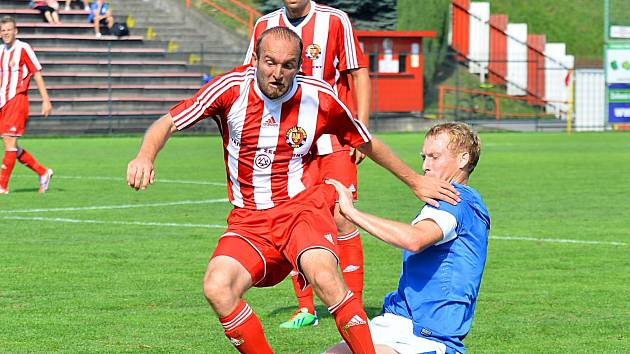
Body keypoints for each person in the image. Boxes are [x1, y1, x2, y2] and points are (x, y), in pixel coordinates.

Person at [127, 27, 459, 353]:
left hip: (302, 212)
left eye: (287, 65)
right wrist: (145, 155)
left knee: (326, 279)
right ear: (255, 59)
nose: (277, 73)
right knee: (218, 287)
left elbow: (365, 141)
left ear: (299, 66)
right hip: (249, 221)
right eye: (269, 62)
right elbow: (168, 121)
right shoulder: (230, 89)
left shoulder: (319, 95)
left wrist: (415, 181)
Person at [243, 0, 372, 329]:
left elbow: (358, 73)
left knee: (343, 214)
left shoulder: (335, 20)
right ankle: (306, 309)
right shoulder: (265, 25)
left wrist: (362, 129)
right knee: (290, 215)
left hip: (332, 138)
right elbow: (248, 77)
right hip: (287, 143)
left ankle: (352, 305)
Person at [326, 122, 490, 354]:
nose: (425, 166)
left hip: (427, 336)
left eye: (434, 157)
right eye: (424, 157)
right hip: (397, 321)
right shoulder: (447, 200)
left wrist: (352, 213)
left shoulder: (457, 200)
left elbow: (414, 239)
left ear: (463, 159)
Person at [0, 16, 54, 195]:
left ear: (16, 31)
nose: (6, 33)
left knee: (9, 143)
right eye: (3, 30)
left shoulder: (23, 48)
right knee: (11, 145)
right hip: (3, 102)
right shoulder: (0, 51)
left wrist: (45, 100)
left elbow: (36, 74)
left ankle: (2, 186)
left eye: (9, 29)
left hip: (17, 100)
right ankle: (43, 172)